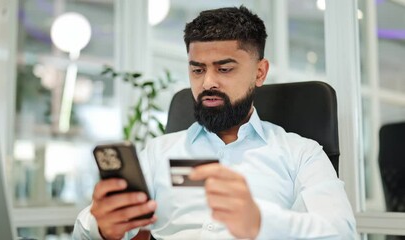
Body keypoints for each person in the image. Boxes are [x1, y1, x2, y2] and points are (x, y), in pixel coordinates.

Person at [73, 6, 356, 240]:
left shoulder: (301, 153)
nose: (208, 82)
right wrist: (102, 227)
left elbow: (342, 232)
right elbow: (83, 232)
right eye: (197, 69)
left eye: (224, 68)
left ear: (260, 72)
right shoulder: (159, 153)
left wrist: (261, 223)